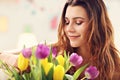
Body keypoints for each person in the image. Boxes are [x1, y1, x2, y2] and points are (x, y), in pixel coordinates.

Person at [0, 0, 120, 80]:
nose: (69, 29)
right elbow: (2, 55)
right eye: (67, 22)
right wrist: (14, 60)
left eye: (78, 22)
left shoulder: (115, 67)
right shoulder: (55, 50)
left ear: (97, 25)